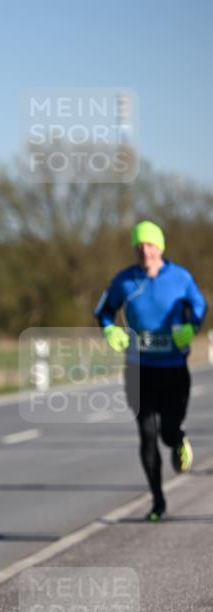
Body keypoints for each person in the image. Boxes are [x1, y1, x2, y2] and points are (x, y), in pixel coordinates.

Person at [94, 220, 207, 521]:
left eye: (150, 244)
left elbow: (200, 306)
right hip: (139, 370)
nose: (145, 250)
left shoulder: (181, 278)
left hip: (173, 368)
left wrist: (191, 327)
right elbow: (102, 311)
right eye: (139, 245)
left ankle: (178, 439)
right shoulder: (125, 281)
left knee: (168, 432)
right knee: (146, 435)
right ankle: (158, 500)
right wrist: (109, 330)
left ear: (161, 247)